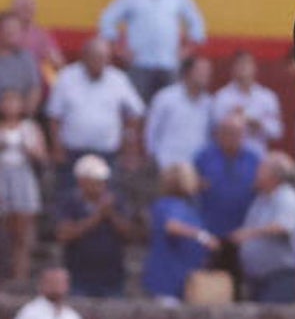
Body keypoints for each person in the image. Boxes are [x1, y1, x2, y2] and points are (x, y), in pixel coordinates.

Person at [98, 0, 207, 103]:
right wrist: (119, 49)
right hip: (139, 64)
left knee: (169, 109)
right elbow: (106, 21)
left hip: (169, 64)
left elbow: (197, 24)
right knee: (136, 109)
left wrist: (187, 50)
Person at [44, 37, 145, 192]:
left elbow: (136, 112)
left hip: (107, 152)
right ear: (84, 56)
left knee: (108, 197)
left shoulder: (118, 79)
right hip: (73, 152)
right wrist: (57, 147)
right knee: (71, 197)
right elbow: (54, 115)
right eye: (95, 57)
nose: (99, 62)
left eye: (104, 58)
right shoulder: (67, 77)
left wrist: (129, 141)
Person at [55, 154, 136, 298]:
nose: (101, 186)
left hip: (112, 276)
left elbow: (130, 234)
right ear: (82, 181)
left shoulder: (116, 201)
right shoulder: (70, 202)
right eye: (96, 182)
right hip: (79, 276)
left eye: (103, 182)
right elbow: (64, 235)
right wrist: (96, 217)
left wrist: (110, 214)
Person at [231, 150, 295, 303]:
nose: (256, 174)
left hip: (279, 277)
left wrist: (249, 234)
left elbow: (283, 227)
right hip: (257, 278)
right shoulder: (261, 198)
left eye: (261, 170)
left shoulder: (288, 197)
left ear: (274, 175)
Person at [195, 112, 261, 282]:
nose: (233, 138)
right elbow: (192, 189)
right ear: (219, 134)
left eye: (238, 133)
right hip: (211, 231)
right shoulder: (203, 158)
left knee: (237, 282)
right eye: (229, 132)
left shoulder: (254, 160)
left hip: (242, 232)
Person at [142, 162, 219, 302]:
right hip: (169, 281)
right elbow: (172, 226)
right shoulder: (170, 204)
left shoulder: (187, 205)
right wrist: (203, 237)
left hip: (186, 280)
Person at [0, 88, 46, 284]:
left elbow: (42, 156)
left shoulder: (30, 128)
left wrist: (30, 150)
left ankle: (20, 275)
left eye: (14, 101)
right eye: (6, 101)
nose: (10, 106)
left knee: (22, 232)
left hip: (22, 175)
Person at [143, 55, 213, 170]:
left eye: (208, 72)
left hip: (196, 167)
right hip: (167, 164)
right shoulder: (165, 97)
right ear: (187, 73)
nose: (206, 75)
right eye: (201, 71)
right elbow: (151, 129)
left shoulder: (209, 103)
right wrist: (152, 155)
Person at [211, 51, 283, 158]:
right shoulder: (222, 97)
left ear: (255, 68)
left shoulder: (267, 97)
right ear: (233, 69)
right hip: (228, 158)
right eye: (239, 64)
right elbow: (214, 130)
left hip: (257, 157)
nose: (243, 67)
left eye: (246, 64)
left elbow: (277, 132)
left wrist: (259, 124)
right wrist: (231, 120)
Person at [11, 0, 65, 75]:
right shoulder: (4, 32)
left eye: (30, 7)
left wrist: (53, 59)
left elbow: (58, 63)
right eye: (24, 7)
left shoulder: (42, 35)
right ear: (13, 9)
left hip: (35, 82)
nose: (27, 10)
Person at [0, 11, 40, 117]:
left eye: (17, 28)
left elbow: (34, 88)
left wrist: (24, 116)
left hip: (20, 118)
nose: (13, 31)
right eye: (9, 27)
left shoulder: (26, 57)